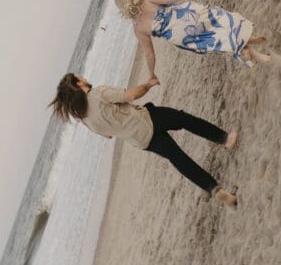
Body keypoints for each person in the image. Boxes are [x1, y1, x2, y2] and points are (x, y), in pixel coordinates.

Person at [49, 73, 238, 206]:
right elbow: (131, 95)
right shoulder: (98, 93)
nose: (83, 77)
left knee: (178, 158)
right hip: (148, 119)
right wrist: (148, 85)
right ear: (79, 85)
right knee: (184, 119)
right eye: (79, 77)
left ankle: (215, 189)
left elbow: (107, 135)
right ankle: (225, 138)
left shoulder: (85, 121)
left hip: (141, 140)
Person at [115, 0, 271, 80]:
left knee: (219, 40)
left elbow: (149, 54)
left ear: (123, 12)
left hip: (182, 37)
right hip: (188, 16)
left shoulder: (138, 29)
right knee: (221, 22)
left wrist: (151, 74)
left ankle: (252, 44)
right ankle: (255, 50)